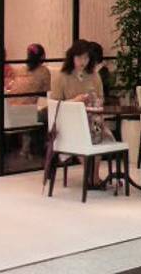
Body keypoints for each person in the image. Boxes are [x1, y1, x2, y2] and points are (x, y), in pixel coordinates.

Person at [51, 39, 108, 188]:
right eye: (79, 57)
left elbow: (101, 97)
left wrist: (95, 100)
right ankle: (91, 177)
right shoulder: (62, 77)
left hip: (92, 118)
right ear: (72, 57)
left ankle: (94, 177)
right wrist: (75, 101)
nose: (83, 62)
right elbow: (55, 105)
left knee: (98, 133)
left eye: (86, 58)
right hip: (69, 121)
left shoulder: (94, 75)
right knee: (86, 136)